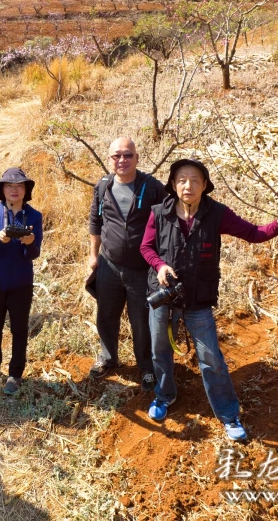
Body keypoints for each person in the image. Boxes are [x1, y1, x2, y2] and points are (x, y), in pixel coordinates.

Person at [140, 159, 278, 441]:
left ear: (204, 185)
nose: (188, 185)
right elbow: (146, 246)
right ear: (173, 183)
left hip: (198, 299)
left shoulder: (217, 213)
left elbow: (253, 233)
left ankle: (228, 414)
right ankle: (164, 396)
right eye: (182, 179)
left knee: (211, 358)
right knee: (160, 351)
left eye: (195, 180)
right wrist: (160, 266)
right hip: (164, 296)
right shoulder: (159, 212)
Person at [87, 138, 166, 391]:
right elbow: (95, 222)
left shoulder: (152, 187)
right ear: (109, 159)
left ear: (137, 158)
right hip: (108, 265)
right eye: (117, 156)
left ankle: (146, 367)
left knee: (141, 321)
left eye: (128, 155)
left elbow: (167, 223)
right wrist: (93, 256)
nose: (122, 160)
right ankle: (108, 359)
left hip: (141, 269)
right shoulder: (103, 186)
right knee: (106, 315)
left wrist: (162, 262)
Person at [0, 168, 43, 395]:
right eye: (9, 186)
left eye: (19, 186)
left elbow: (33, 255)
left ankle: (15, 374)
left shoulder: (34, 216)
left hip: (21, 282)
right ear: (2, 190)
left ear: (26, 190)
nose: (14, 190)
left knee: (20, 328)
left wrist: (30, 242)